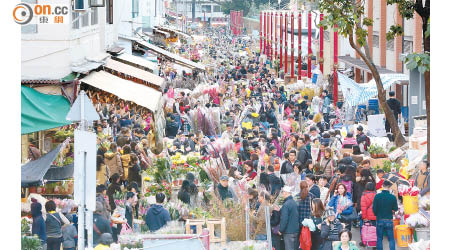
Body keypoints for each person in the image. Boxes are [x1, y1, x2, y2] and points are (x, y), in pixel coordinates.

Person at [373, 180, 398, 250]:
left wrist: (376, 214)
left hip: (379, 219)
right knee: (391, 239)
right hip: (389, 220)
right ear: (390, 187)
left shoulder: (377, 196)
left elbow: (374, 209)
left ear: (382, 186)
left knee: (379, 238)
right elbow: (395, 209)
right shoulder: (392, 197)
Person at [360, 182, 377, 246]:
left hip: (367, 216)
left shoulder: (364, 196)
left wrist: (364, 217)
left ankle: (365, 242)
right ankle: (375, 243)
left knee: (366, 230)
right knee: (375, 230)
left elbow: (363, 208)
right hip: (376, 216)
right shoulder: (377, 195)